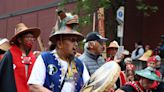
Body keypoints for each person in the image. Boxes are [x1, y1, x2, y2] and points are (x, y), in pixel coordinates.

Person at [28, 12, 90, 92]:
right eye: (72, 40)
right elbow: (34, 86)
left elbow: (88, 87)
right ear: (60, 43)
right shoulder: (45, 59)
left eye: (77, 41)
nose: (76, 44)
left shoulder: (79, 64)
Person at [0, 23, 40, 92]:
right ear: (19, 40)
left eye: (32, 37)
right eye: (28, 37)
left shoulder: (33, 57)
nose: (31, 39)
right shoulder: (9, 55)